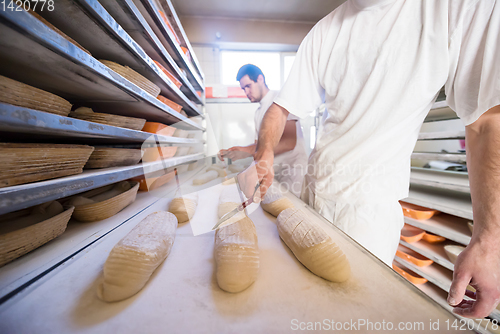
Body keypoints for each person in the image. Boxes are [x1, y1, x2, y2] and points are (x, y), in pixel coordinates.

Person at [245, 0, 500, 319]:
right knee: (303, 309)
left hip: (367, 212)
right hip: (312, 196)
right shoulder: (325, 30)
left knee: (352, 317)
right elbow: (280, 108)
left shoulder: (454, 7)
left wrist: (490, 240)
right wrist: (264, 152)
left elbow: (487, 119)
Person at [219, 64, 308, 196]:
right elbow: (259, 147)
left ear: (260, 79)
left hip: (292, 173)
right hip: (274, 172)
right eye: (243, 89)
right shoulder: (258, 113)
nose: (246, 92)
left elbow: (289, 142)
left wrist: (246, 151)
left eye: (248, 86)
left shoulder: (281, 100)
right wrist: (241, 152)